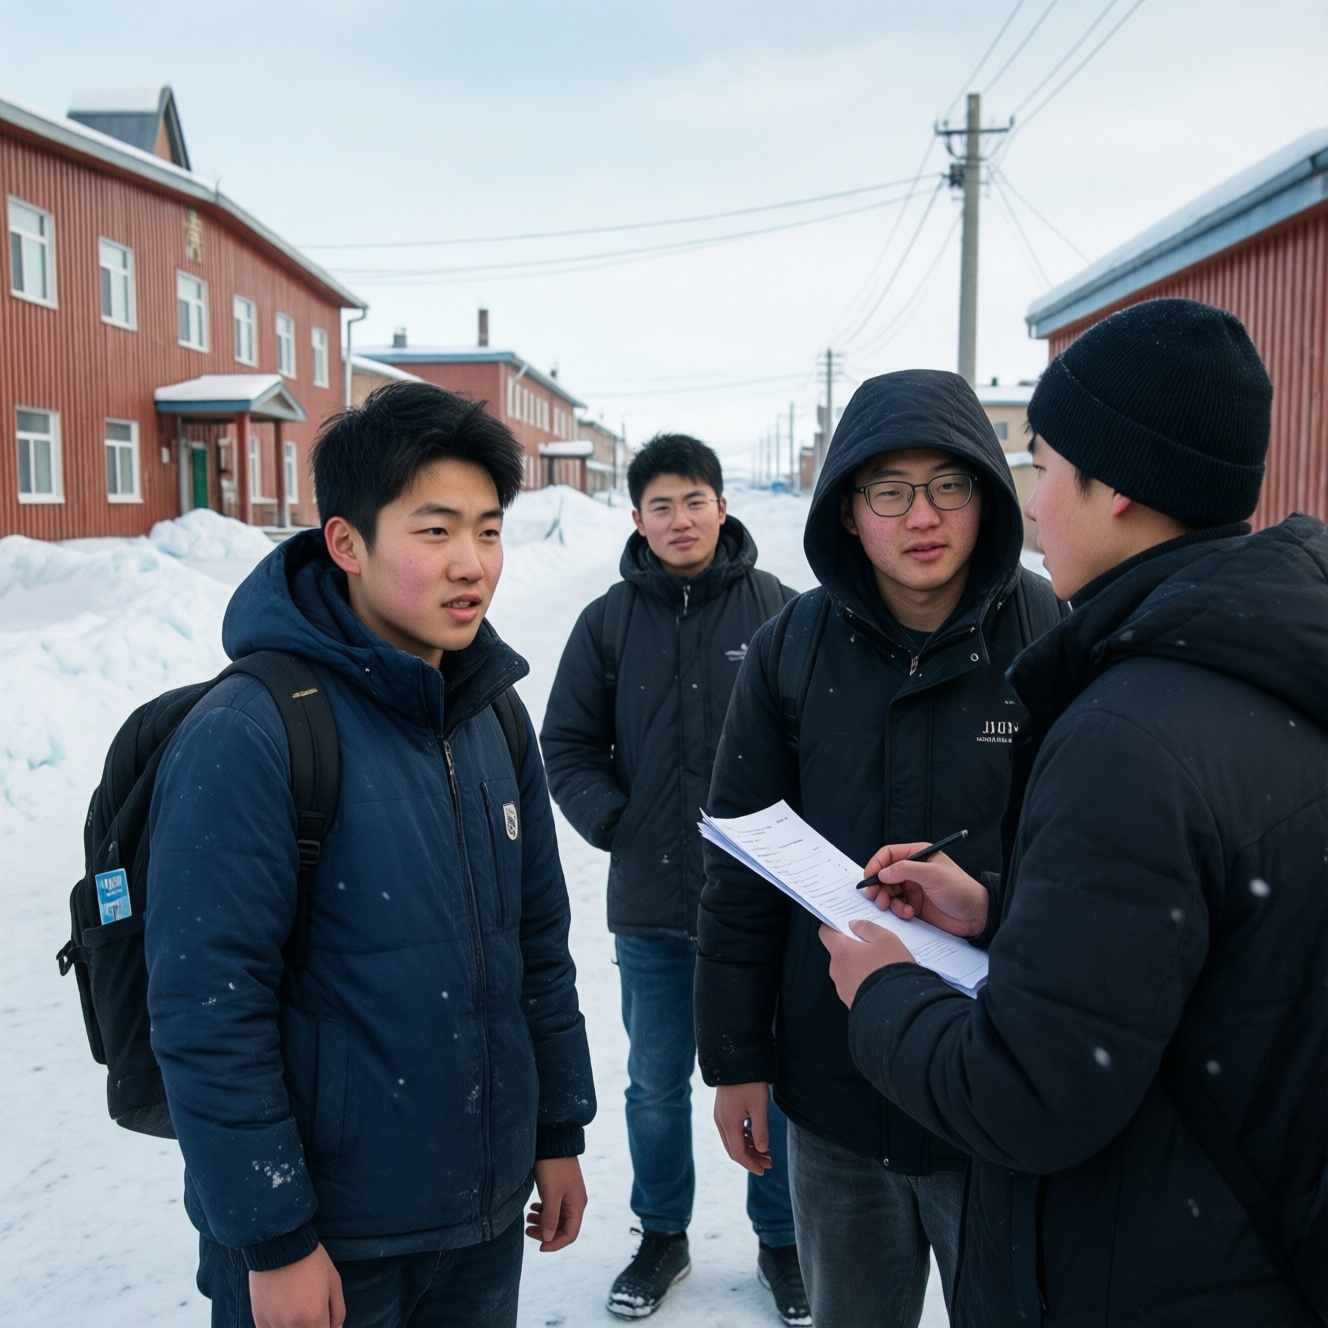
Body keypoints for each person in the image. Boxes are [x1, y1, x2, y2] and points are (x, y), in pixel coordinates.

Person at [823, 299, 1328, 1326]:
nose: (1035, 504)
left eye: (1045, 468)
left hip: (1150, 1268)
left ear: (1119, 487)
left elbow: (1028, 1091)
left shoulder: (1129, 730)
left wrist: (879, 990)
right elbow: (1215, 939)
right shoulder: (1268, 667)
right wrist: (1004, 912)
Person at [146, 381, 596, 1328]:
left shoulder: (492, 714)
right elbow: (206, 1007)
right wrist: (273, 1240)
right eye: (434, 533)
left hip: (478, 1228)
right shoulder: (255, 729)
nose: (471, 565)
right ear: (346, 544)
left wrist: (558, 1128)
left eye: (488, 530)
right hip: (332, 1246)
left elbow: (538, 948)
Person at [694, 369, 1063, 1328]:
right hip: (837, 1087)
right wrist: (736, 1054)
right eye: (888, 490)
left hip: (998, 1095)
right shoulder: (791, 649)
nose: (922, 515)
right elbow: (741, 869)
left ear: (987, 495)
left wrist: (990, 895)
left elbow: (1096, 861)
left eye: (949, 484)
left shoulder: (1050, 635)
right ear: (848, 511)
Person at [540, 434, 805, 1323]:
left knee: (769, 1075)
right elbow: (566, 746)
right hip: (652, 905)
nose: (680, 519)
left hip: (764, 906)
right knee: (655, 1082)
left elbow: (828, 743)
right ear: (638, 519)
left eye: (694, 500)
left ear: (722, 507)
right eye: (661, 505)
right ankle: (662, 1233)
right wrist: (619, 822)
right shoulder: (607, 623)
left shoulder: (780, 612)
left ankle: (783, 1240)